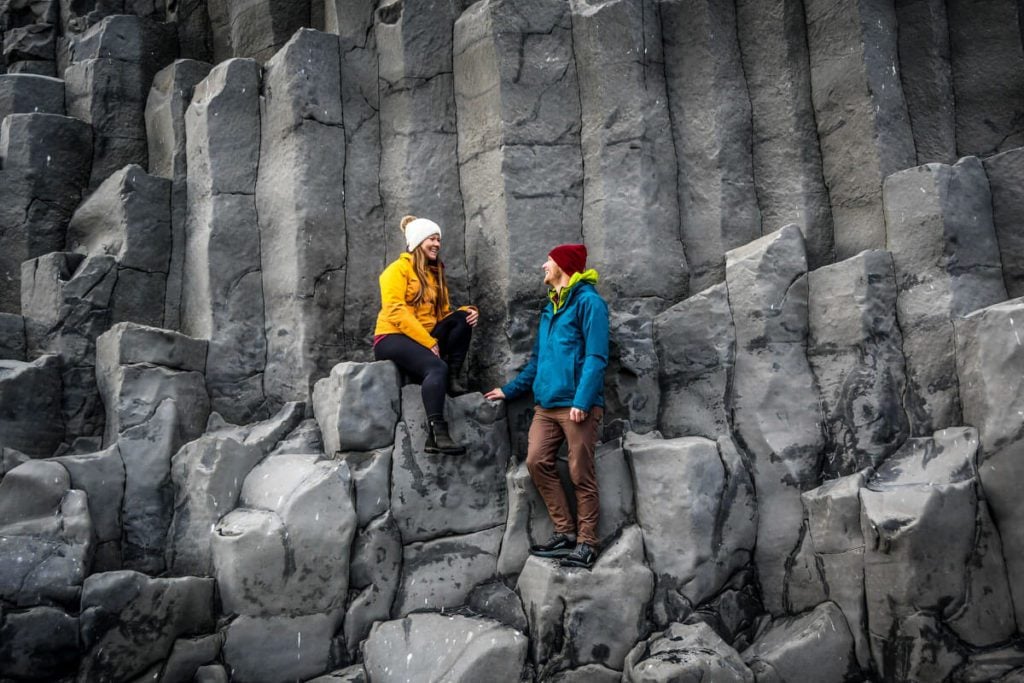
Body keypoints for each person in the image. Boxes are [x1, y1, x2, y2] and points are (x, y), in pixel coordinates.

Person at [484, 244, 608, 569]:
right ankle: (565, 533)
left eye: (548, 262)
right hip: (546, 407)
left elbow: (596, 357)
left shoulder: (590, 303)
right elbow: (536, 362)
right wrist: (508, 391)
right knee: (537, 461)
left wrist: (582, 400)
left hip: (577, 407)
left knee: (581, 473)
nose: (543, 266)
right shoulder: (549, 311)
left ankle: (587, 543)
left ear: (563, 267)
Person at [374, 215, 478, 455]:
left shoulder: (435, 275)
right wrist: (428, 342)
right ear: (419, 241)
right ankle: (437, 434)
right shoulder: (396, 270)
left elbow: (443, 315)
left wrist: (469, 312)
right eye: (432, 238)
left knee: (462, 319)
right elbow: (395, 311)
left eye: (439, 240)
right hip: (392, 336)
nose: (437, 244)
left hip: (424, 337)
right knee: (435, 368)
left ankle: (452, 377)